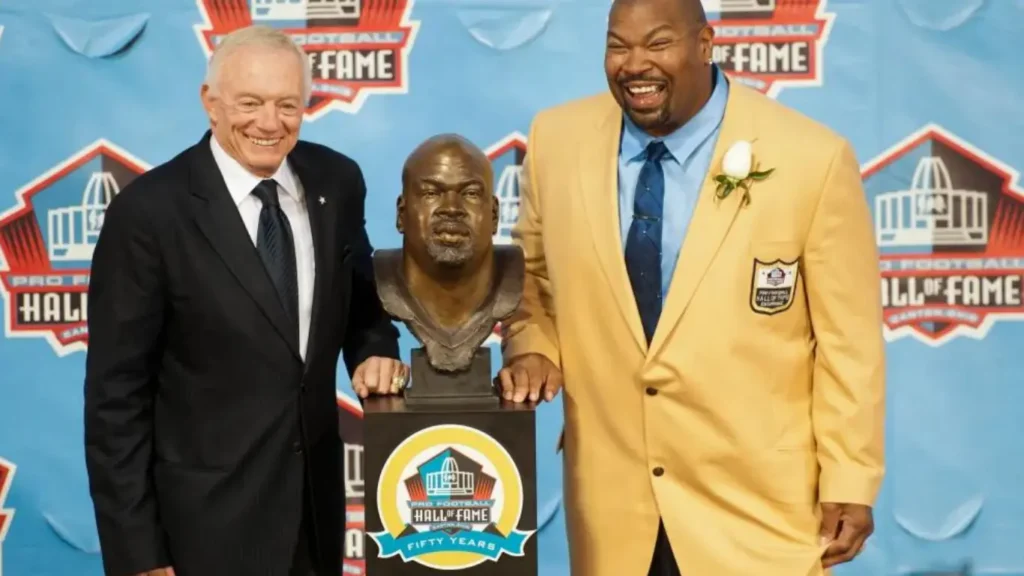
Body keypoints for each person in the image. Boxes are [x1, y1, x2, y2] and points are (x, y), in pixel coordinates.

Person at [497, 0, 885, 574]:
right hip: (612, 509)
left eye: (657, 44)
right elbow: (530, 274)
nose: (634, 64)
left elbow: (848, 342)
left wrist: (851, 475)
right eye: (617, 45)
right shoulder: (557, 139)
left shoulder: (811, 158)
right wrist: (532, 344)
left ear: (705, 44)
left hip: (757, 510)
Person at [84, 26, 406, 576]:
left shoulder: (337, 180)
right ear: (210, 103)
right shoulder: (148, 214)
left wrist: (374, 346)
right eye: (249, 103)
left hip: (316, 519)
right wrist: (139, 554)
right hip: (200, 533)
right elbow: (116, 398)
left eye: (287, 104)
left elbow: (359, 302)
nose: (269, 122)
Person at [373, 134, 523, 373]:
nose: (451, 209)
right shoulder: (382, 281)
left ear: (494, 214)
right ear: (402, 214)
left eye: (471, 194)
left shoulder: (512, 278)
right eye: (431, 193)